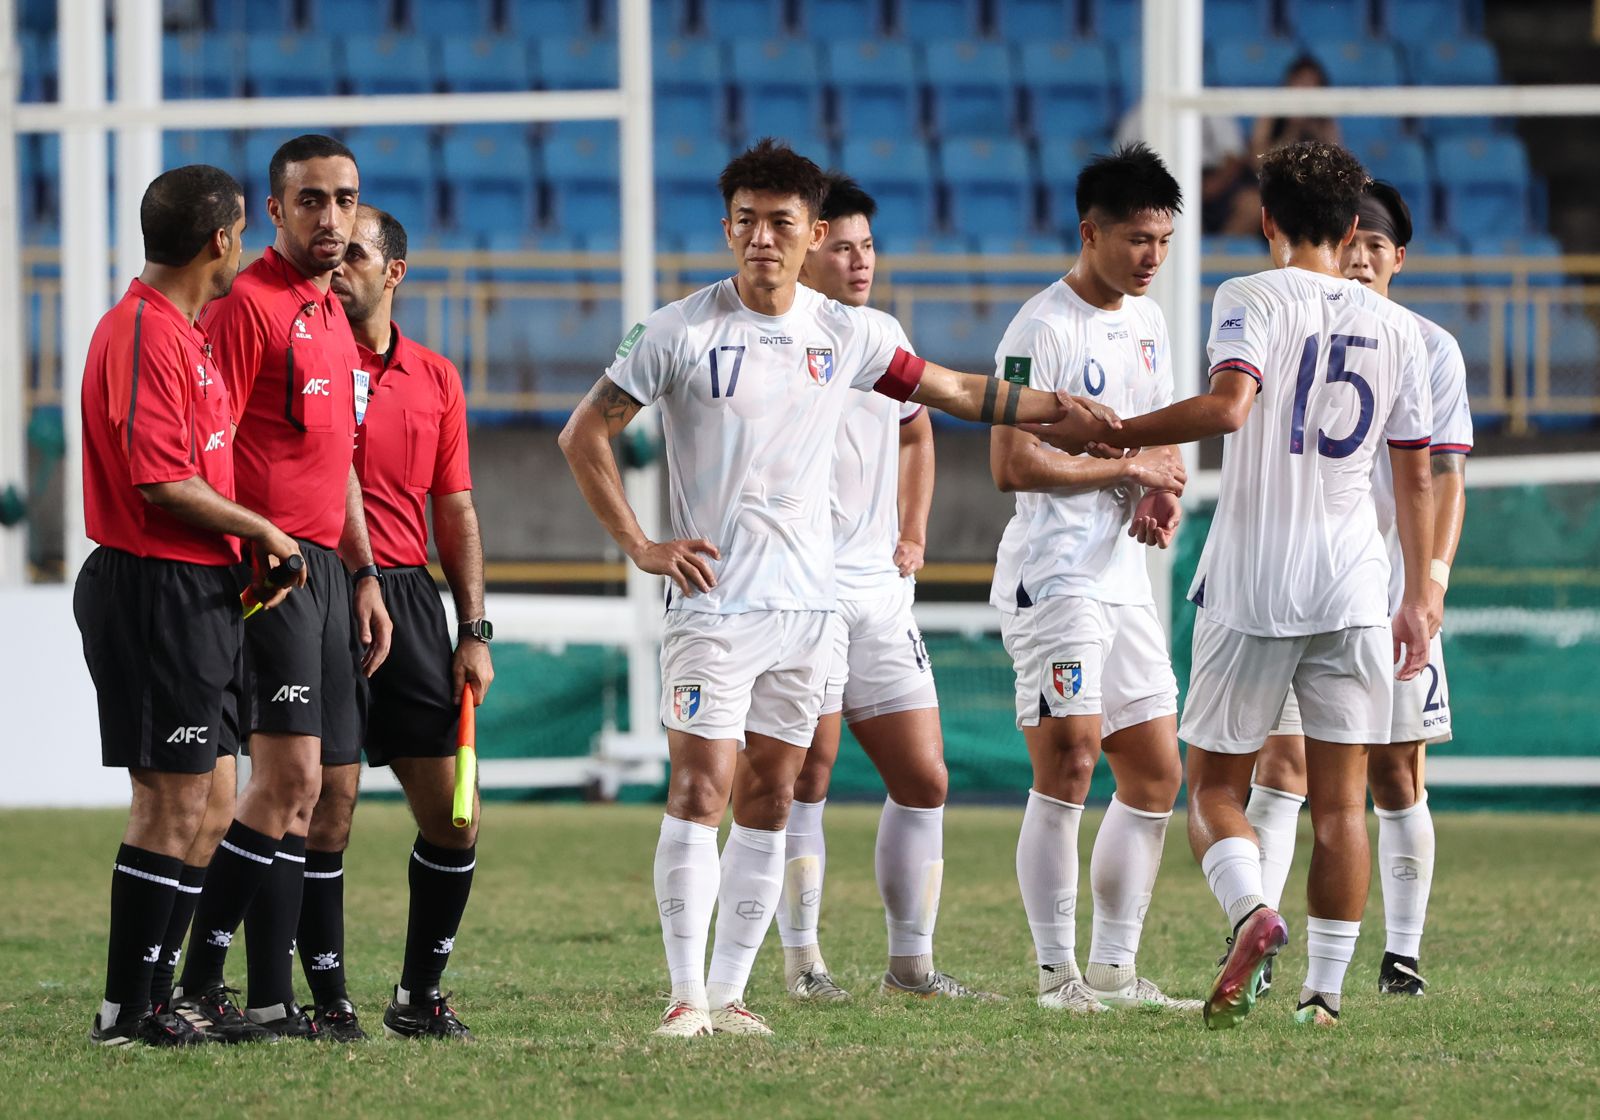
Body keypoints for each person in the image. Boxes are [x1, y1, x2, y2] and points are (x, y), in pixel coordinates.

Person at [559, 138, 1117, 1039]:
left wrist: (1054, 406)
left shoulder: (847, 333)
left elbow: (955, 391)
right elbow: (584, 432)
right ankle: (683, 997)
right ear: (728, 227)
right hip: (714, 604)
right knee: (701, 789)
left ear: (810, 230)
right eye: (746, 221)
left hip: (811, 611)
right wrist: (642, 544)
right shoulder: (675, 331)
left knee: (771, 798)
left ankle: (733, 998)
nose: (763, 239)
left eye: (782, 223)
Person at [1027, 139, 1435, 1029]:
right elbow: (1415, 474)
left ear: (1268, 221)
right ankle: (1322, 998)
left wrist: (1119, 432)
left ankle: (1253, 912)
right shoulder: (1402, 330)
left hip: (1253, 579)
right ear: (1349, 224)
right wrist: (1419, 594)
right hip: (1358, 586)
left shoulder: (1249, 295)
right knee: (1340, 805)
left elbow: (1228, 407)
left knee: (1214, 789)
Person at [76, 164, 305, 1045]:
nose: (243, 246)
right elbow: (161, 479)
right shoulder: (139, 331)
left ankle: (158, 998)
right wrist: (268, 530)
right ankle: (124, 1014)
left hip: (202, 588)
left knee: (211, 802)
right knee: (169, 802)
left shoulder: (187, 331)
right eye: (241, 230)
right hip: (153, 585)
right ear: (223, 239)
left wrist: (249, 546)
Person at [172, 134, 392, 1042]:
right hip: (268, 571)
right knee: (286, 780)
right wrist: (248, 551)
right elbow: (204, 445)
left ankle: (270, 1000)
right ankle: (199, 982)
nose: (330, 217)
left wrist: (366, 569)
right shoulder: (248, 308)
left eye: (344, 199)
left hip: (330, 574)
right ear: (275, 211)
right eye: (311, 201)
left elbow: (337, 456)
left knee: (317, 790)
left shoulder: (332, 311)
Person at [761, 173, 990, 1003]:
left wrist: (913, 529)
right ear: (809, 246)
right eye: (844, 247)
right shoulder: (781, 336)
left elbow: (920, 430)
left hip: (879, 591)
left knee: (925, 776)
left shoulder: (882, 335)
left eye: (868, 247)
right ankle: (802, 962)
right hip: (804, 591)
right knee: (807, 775)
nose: (861, 262)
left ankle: (910, 966)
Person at [1246, 181, 1472, 999]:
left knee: (1396, 773)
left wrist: (1430, 584)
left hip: (1389, 594)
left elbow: (1444, 478)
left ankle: (1401, 954)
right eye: (1356, 240)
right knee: (1280, 765)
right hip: (1299, 586)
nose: (1365, 256)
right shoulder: (1288, 322)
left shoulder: (1429, 346)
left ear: (1399, 259)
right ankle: (1262, 941)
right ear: (1335, 243)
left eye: (1381, 245)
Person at [989, 143, 1198, 1015]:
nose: (1152, 256)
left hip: (1121, 581)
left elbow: (1165, 439)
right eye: (1138, 239)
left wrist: (1164, 488)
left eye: (1164, 239)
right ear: (1091, 233)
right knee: (1070, 762)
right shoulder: (1039, 329)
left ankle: (1114, 969)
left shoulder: (1149, 322)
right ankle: (1054, 977)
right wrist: (1123, 476)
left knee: (1155, 774)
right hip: (1056, 577)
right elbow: (1009, 460)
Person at [328, 204, 493, 1039]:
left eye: (355, 253)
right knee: (323, 806)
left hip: (414, 602)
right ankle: (318, 1000)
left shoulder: (435, 376)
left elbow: (455, 509)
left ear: (395, 271)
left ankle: (417, 997)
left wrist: (475, 627)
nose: (338, 262)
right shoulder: (306, 360)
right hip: (322, 593)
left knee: (456, 816)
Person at [1249, 54, 1341, 158]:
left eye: (1312, 83)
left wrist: (1315, 131)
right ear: (1289, 82)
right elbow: (1257, 160)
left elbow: (1338, 160)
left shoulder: (1324, 117)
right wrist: (1292, 130)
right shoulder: (1269, 112)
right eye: (1301, 82)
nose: (1306, 89)